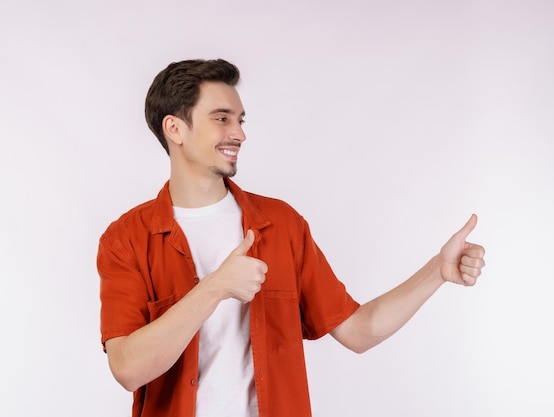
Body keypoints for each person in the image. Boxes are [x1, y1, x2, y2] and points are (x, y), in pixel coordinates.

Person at [97, 58, 486, 417]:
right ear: (175, 128)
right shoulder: (126, 240)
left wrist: (438, 270)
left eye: (241, 120)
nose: (239, 134)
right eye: (221, 118)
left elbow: (359, 330)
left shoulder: (280, 224)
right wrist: (215, 287)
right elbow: (128, 369)